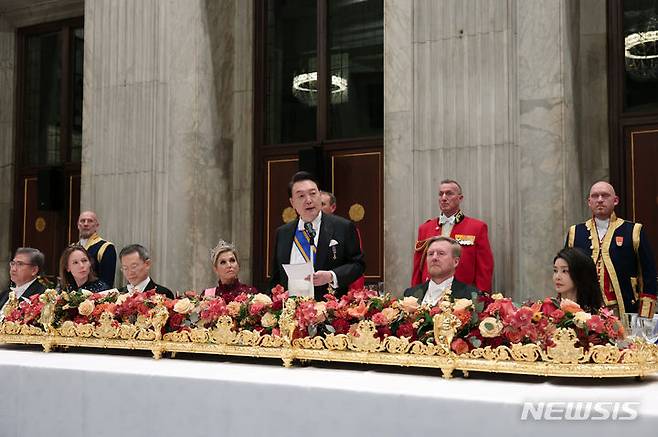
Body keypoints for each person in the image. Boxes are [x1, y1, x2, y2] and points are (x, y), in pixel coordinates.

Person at [566, 181, 657, 319]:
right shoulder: (576, 232)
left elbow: (648, 275)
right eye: (595, 196)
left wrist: (645, 316)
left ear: (615, 200)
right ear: (589, 202)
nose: (600, 200)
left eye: (605, 195)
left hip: (623, 309)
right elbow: (567, 272)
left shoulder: (633, 231)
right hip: (584, 310)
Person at [270, 171, 365, 300]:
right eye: (301, 196)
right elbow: (276, 276)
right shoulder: (283, 233)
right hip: (290, 310)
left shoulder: (342, 227)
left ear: (320, 196)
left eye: (313, 194)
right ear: (292, 202)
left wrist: (332, 276)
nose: (308, 200)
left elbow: (358, 265)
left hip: (329, 309)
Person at [411, 179, 494, 292]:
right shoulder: (425, 228)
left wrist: (480, 299)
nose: (444, 198)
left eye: (449, 193)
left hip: (462, 297)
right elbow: (418, 268)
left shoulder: (477, 228)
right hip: (429, 295)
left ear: (460, 198)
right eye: (441, 194)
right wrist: (415, 295)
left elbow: (484, 269)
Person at [404, 236, 479, 305]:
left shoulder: (472, 296)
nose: (434, 258)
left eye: (441, 253)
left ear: (455, 262)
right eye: (430, 254)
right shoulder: (410, 294)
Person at [320, 190, 366, 290]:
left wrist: (355, 292)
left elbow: (355, 264)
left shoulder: (344, 229)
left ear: (333, 207)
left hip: (339, 289)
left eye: (322, 204)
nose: (319, 207)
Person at [553, 247, 602, 312]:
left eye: (564, 271)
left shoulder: (596, 316)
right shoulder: (545, 311)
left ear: (580, 274)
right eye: (555, 270)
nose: (557, 277)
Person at [77, 210, 117, 287]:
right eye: (82, 221)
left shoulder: (106, 247)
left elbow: (107, 282)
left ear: (97, 225)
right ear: (78, 225)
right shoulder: (72, 248)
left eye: (90, 221)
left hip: (95, 296)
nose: (85, 224)